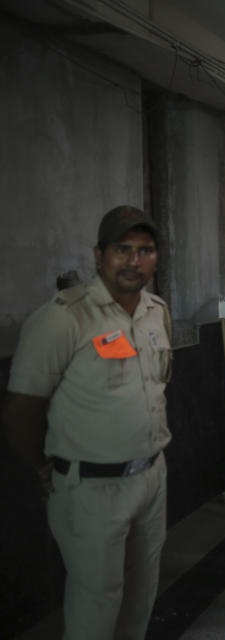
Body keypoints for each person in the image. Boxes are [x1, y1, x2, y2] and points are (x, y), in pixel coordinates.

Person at [1, 206, 172, 639]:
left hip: (151, 477)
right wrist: (47, 468)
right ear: (99, 256)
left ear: (156, 258)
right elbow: (21, 411)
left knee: (141, 597)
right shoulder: (62, 317)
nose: (134, 261)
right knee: (97, 603)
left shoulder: (156, 311)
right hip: (92, 489)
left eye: (145, 250)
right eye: (122, 250)